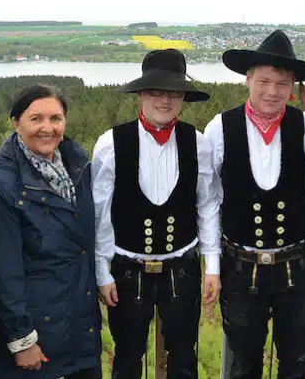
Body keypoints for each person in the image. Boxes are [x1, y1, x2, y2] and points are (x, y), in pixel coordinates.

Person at [204, 30, 305, 379]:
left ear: (294, 87)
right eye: (264, 81)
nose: (272, 92)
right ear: (248, 80)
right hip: (241, 268)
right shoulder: (220, 129)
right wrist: (212, 266)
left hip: (298, 269)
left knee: (297, 364)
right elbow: (209, 200)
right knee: (243, 365)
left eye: (282, 84)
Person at [92, 49, 221, 379]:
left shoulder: (199, 143)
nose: (165, 100)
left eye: (174, 92)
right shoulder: (110, 144)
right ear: (140, 94)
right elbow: (100, 212)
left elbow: (207, 204)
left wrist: (212, 266)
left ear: (183, 97)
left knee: (183, 356)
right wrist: (102, 270)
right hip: (127, 269)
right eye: (156, 91)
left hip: (182, 268)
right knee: (128, 357)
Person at [0, 84, 102, 379]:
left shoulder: (77, 166)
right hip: (39, 331)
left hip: (81, 325)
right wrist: (22, 339)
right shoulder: (2, 183)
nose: (47, 128)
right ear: (16, 123)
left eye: (56, 118)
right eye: (36, 119)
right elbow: (5, 269)